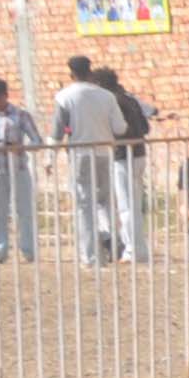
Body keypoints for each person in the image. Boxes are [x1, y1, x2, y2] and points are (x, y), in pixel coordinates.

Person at [54, 53, 130, 264]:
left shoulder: (64, 97)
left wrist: (49, 158)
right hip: (105, 153)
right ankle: (114, 245)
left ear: (71, 74)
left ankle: (90, 255)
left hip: (80, 155)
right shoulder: (107, 96)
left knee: (84, 206)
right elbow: (120, 128)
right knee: (106, 202)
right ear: (90, 72)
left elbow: (57, 131)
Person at [0, 77, 40, 262]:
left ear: (6, 95)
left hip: (19, 167)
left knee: (25, 210)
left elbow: (36, 140)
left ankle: (28, 250)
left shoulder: (20, 115)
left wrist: (19, 147)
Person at [100, 61, 153, 258]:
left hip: (122, 156)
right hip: (139, 153)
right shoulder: (129, 99)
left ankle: (131, 250)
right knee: (135, 205)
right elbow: (146, 127)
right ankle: (140, 248)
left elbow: (118, 129)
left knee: (125, 206)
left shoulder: (112, 102)